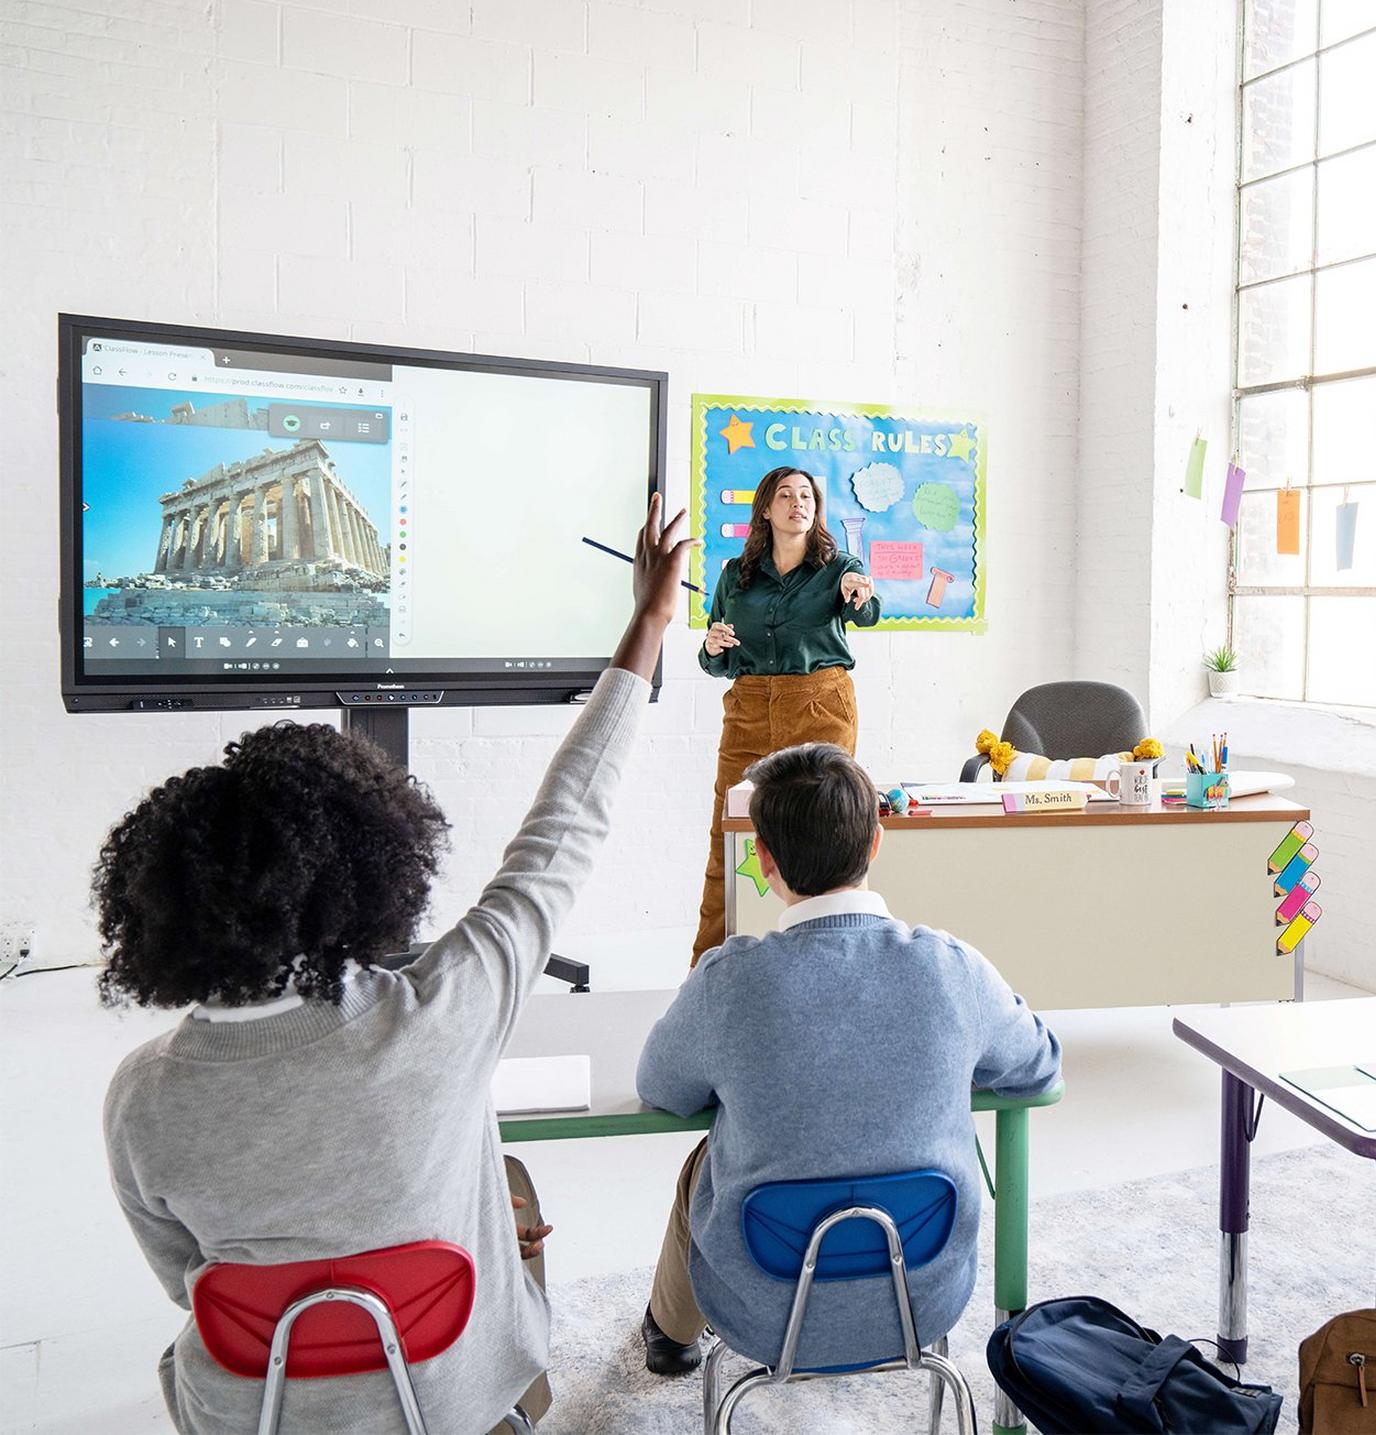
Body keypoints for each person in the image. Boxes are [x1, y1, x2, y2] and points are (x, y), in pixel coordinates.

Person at [99, 495, 695, 1435]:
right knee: (508, 1190)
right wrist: (651, 620)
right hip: (450, 1401)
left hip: (254, 1415)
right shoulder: (442, 1011)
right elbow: (566, 826)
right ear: (370, 870)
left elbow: (189, 1279)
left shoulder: (141, 1097)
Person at [636, 742, 1062, 1376]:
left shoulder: (728, 982)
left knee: (708, 1161)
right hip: (924, 1300)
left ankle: (670, 1336)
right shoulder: (952, 968)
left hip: (764, 1310)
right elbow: (1039, 1065)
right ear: (876, 844)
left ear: (764, 858)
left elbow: (660, 1088)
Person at [689, 465, 881, 967]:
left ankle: (834, 963)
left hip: (821, 708)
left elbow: (866, 609)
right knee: (727, 840)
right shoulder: (736, 575)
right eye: (785, 495)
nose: (798, 503)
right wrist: (712, 647)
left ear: (816, 509)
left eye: (806, 496)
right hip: (748, 711)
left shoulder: (840, 568)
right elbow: (718, 658)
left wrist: (860, 595)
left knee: (828, 838)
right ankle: (707, 971)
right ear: (766, 509)